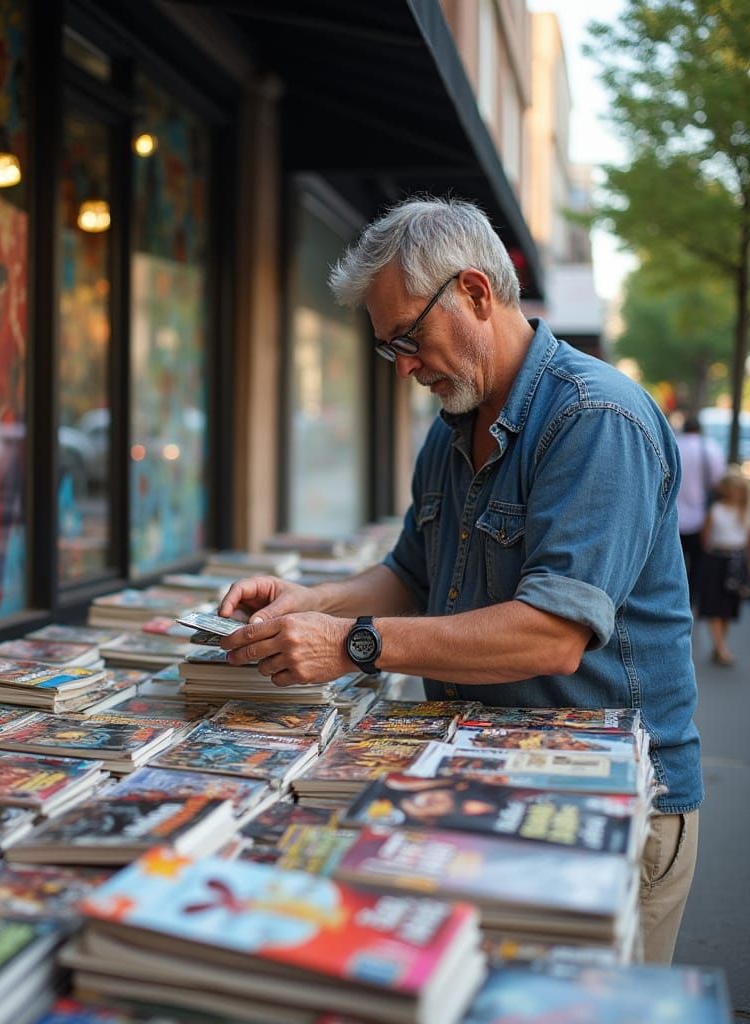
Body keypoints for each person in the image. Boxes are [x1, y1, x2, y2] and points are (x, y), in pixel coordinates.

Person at [218, 197, 702, 965]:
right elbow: (411, 574)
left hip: (600, 808)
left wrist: (353, 643)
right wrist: (309, 604)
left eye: (408, 337)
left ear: (477, 292)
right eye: (389, 349)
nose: (405, 368)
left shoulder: (596, 418)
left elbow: (551, 634)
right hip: (477, 779)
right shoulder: (451, 430)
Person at [698, 466, 750, 665]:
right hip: (716, 560)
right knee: (715, 605)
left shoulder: (744, 512)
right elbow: (705, 538)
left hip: (735, 562)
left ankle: (719, 646)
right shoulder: (716, 510)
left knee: (727, 608)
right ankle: (721, 647)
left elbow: (747, 543)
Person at [675, 412, 724, 606]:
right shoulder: (709, 449)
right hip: (700, 517)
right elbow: (718, 483)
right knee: (697, 564)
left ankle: (676, 597)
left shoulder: (673, 444)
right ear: (699, 430)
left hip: (673, 517)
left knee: (675, 562)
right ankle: (691, 600)